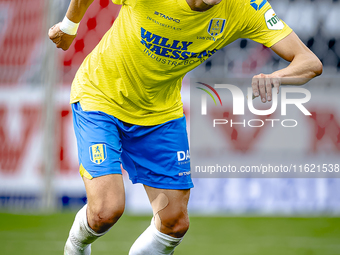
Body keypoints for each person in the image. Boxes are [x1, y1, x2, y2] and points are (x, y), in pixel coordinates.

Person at [49, 0, 322, 254]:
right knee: (105, 211)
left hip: (159, 115)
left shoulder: (245, 7)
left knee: (174, 223)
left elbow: (309, 62)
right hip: (101, 97)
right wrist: (69, 26)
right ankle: (74, 247)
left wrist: (277, 76)